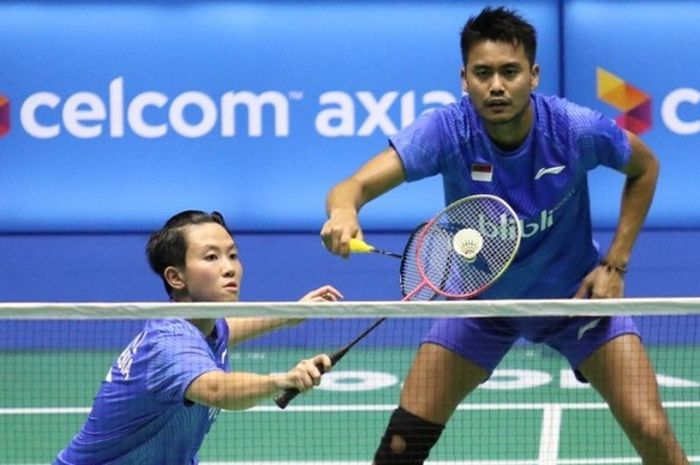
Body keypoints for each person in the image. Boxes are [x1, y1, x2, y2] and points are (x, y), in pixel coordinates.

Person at [321, 6, 688, 465]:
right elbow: (352, 186)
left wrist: (615, 263)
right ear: (464, 78)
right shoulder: (447, 131)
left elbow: (645, 166)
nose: (496, 85)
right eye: (483, 73)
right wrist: (342, 211)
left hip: (575, 304)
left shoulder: (574, 129)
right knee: (400, 445)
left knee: (652, 430)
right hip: (481, 306)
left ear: (533, 76)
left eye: (509, 72)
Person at [54, 210, 343, 465]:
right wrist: (282, 380)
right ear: (175, 277)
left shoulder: (200, 325)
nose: (229, 267)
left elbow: (226, 330)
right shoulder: (170, 344)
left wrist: (293, 313)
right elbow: (217, 390)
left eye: (232, 255)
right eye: (211, 257)